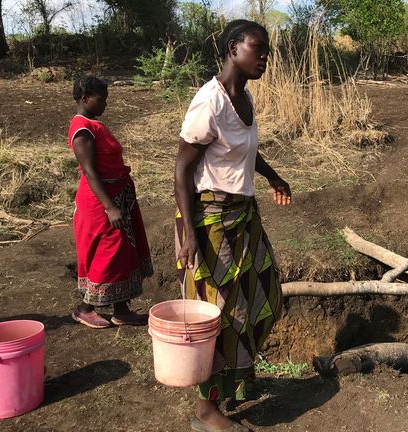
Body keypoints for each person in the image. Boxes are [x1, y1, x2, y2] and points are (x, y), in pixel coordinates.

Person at [174, 19, 291, 432]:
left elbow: (245, 150)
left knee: (265, 295)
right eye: (257, 48)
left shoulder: (244, 98)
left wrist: (273, 176)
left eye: (267, 51)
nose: (264, 57)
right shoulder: (210, 102)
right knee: (220, 314)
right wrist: (188, 234)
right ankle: (207, 411)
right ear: (231, 48)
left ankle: (237, 381)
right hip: (211, 220)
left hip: (243, 214)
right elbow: (182, 168)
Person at [67, 76, 153, 329]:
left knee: (124, 252)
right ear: (85, 99)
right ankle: (85, 308)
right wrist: (110, 206)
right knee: (110, 252)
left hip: (117, 196)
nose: (105, 104)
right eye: (100, 99)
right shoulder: (82, 129)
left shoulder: (93, 124)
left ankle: (121, 310)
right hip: (101, 201)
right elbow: (90, 172)